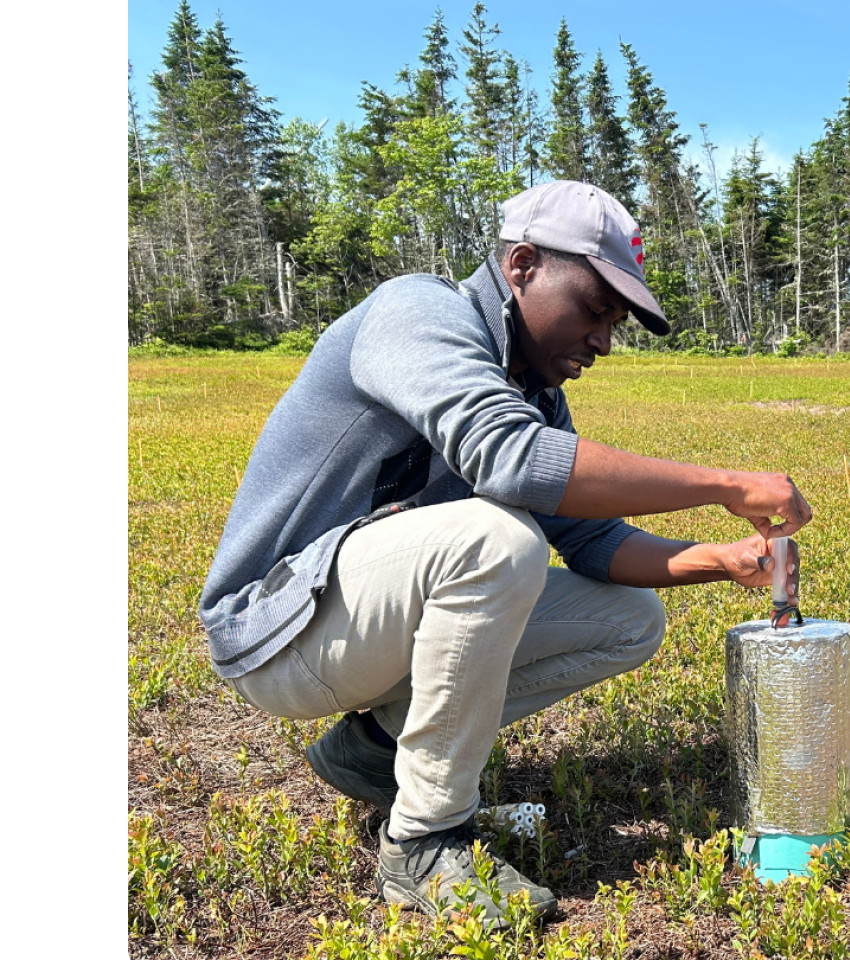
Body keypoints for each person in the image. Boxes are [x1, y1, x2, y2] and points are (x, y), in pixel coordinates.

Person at [199, 180, 811, 925]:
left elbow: (588, 538)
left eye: (615, 323)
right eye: (594, 310)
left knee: (630, 618)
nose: (603, 342)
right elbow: (510, 459)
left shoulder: (533, 391)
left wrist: (719, 559)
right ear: (522, 264)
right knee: (497, 539)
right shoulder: (418, 312)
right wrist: (723, 482)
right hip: (279, 632)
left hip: (360, 622)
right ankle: (424, 840)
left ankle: (371, 748)